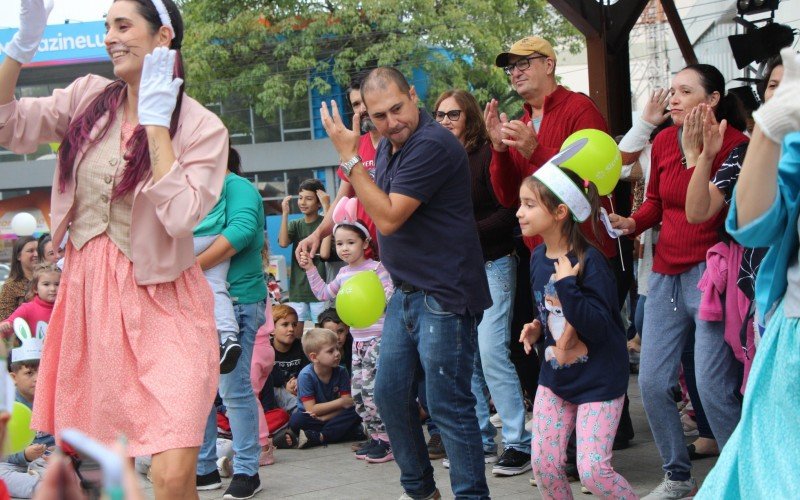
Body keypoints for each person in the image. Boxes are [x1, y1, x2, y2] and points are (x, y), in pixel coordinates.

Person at [0, 0, 228, 497]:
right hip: (94, 308)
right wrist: (19, 49)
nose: (109, 37)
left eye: (123, 25)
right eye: (106, 26)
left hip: (167, 308)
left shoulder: (202, 126)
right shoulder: (87, 96)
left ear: (163, 37)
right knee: (122, 474)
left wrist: (155, 123)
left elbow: (182, 215)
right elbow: (7, 124)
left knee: (169, 474)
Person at [319, 67, 492, 499]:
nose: (391, 121)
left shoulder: (431, 143)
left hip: (444, 296)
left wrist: (350, 158)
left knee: (447, 406)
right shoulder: (397, 146)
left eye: (397, 108)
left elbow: (390, 216)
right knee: (390, 397)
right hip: (406, 293)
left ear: (414, 94)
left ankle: (471, 495)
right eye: (379, 116)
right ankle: (420, 491)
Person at [609, 63, 749, 499]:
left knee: (712, 386)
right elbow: (656, 202)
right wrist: (631, 222)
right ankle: (678, 475)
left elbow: (711, 211)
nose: (672, 98)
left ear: (712, 100)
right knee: (651, 382)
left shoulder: (737, 144)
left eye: (684, 92)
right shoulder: (664, 139)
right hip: (665, 273)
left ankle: (738, 476)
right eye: (671, 91)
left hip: (711, 274)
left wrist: (699, 156)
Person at [695, 47, 800, 499]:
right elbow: (749, 224)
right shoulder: (781, 138)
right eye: (773, 87)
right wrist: (772, 127)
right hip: (781, 319)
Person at [517, 163, 635, 499]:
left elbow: (597, 325)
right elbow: (547, 308)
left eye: (529, 205)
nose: (519, 213)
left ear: (559, 212)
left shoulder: (591, 261)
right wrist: (538, 327)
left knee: (594, 471)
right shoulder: (538, 256)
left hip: (600, 379)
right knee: (544, 465)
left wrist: (568, 283)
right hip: (556, 377)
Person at [433, 89, 531, 475]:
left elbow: (511, 212)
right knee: (466, 358)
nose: (444, 121)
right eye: (439, 115)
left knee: (491, 352)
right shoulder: (438, 159)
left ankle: (519, 443)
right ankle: (478, 440)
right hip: (455, 271)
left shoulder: (486, 154)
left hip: (493, 262)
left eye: (452, 114)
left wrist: (463, 235)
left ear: (470, 116)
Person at [194, 149, 266, 498]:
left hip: (237, 300)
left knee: (233, 390)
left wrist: (188, 268)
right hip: (194, 304)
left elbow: (241, 231)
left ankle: (247, 471)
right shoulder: (192, 187)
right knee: (199, 393)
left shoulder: (237, 187)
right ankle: (204, 468)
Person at [299, 196, 394, 463]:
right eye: (339, 243)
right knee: (359, 394)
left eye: (350, 242)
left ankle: (388, 441)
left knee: (374, 392)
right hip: (357, 341)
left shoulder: (377, 269)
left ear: (365, 244)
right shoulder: (341, 274)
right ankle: (374, 437)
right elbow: (321, 293)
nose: (343, 249)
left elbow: (389, 296)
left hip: (378, 338)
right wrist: (309, 268)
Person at [298, 72, 381, 260]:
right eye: (356, 105)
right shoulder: (354, 146)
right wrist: (317, 235)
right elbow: (340, 200)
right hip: (363, 258)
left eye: (365, 101)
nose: (362, 109)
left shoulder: (398, 143)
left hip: (398, 255)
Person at [193, 145, 243, 375]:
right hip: (215, 237)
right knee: (216, 287)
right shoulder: (219, 177)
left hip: (190, 239)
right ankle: (228, 336)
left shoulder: (186, 171)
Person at [288, 328, 364, 449]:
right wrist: (341, 402)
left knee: (358, 408)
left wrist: (325, 417)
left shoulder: (341, 371)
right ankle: (348, 433)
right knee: (296, 420)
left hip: (330, 416)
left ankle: (319, 437)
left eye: (337, 349)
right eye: (330, 351)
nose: (337, 353)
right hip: (312, 418)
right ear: (314, 357)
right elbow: (312, 409)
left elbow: (348, 404)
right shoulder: (306, 375)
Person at [0, 331, 53, 499]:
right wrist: (23, 455)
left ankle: (53, 484)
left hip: (47, 461)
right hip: (13, 464)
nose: (37, 378)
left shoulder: (52, 398)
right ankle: (42, 488)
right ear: (14, 377)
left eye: (41, 371)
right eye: (30, 373)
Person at [279, 179, 330, 324]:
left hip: (320, 291)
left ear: (319, 202)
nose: (302, 202)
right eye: (300, 198)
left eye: (308, 199)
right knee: (295, 333)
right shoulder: (295, 224)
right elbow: (283, 243)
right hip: (298, 290)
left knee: (321, 334)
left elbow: (325, 254)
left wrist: (327, 207)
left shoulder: (324, 224)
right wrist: (285, 214)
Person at [0, 263, 60, 338]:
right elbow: (10, 324)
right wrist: (4, 326)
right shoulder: (27, 309)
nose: (53, 289)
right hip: (36, 349)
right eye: (46, 284)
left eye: (57, 284)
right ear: (35, 288)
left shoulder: (66, 308)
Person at [0, 237, 38, 322]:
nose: (36, 254)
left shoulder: (50, 279)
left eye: (38, 250)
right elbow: (4, 320)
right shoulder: (10, 286)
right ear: (18, 256)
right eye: (31, 251)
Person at [317, 307, 352, 373]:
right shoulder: (318, 354)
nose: (336, 337)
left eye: (340, 331)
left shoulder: (354, 347)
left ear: (347, 329)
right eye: (330, 333)